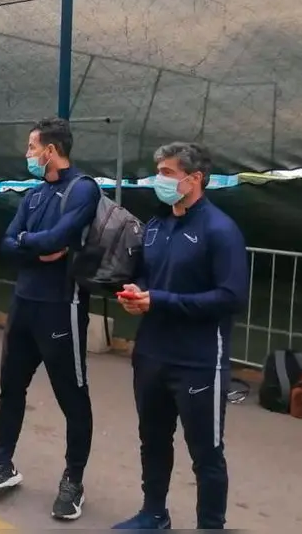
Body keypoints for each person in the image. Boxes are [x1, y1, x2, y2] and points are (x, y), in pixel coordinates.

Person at [111, 142, 249, 530]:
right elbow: (144, 277)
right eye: (159, 171)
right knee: (153, 440)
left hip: (199, 360)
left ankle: (210, 525)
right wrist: (136, 294)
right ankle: (154, 514)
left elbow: (232, 296)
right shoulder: (156, 226)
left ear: (195, 179)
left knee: (206, 452)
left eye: (168, 173)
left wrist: (161, 300)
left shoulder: (220, 230)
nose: (160, 179)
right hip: (152, 354)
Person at [0, 117, 100, 521]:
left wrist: (30, 244)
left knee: (72, 397)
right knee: (10, 388)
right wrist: (36, 247)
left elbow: (58, 240)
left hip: (60, 307)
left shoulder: (83, 188)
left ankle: (73, 482)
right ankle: (2, 464)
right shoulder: (35, 195)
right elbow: (6, 243)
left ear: (51, 151)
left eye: (32, 148)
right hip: (23, 304)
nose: (28, 155)